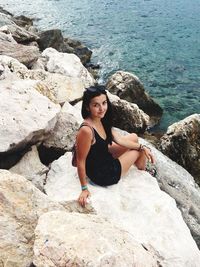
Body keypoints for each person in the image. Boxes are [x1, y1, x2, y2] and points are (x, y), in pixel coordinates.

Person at [75, 85, 155, 207]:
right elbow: (80, 160)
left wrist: (142, 146)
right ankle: (142, 170)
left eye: (104, 103)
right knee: (138, 152)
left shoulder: (100, 120)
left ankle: (139, 160)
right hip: (103, 173)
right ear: (87, 107)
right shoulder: (86, 130)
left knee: (133, 137)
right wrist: (84, 188)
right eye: (96, 105)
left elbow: (120, 140)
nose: (102, 108)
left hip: (104, 156)